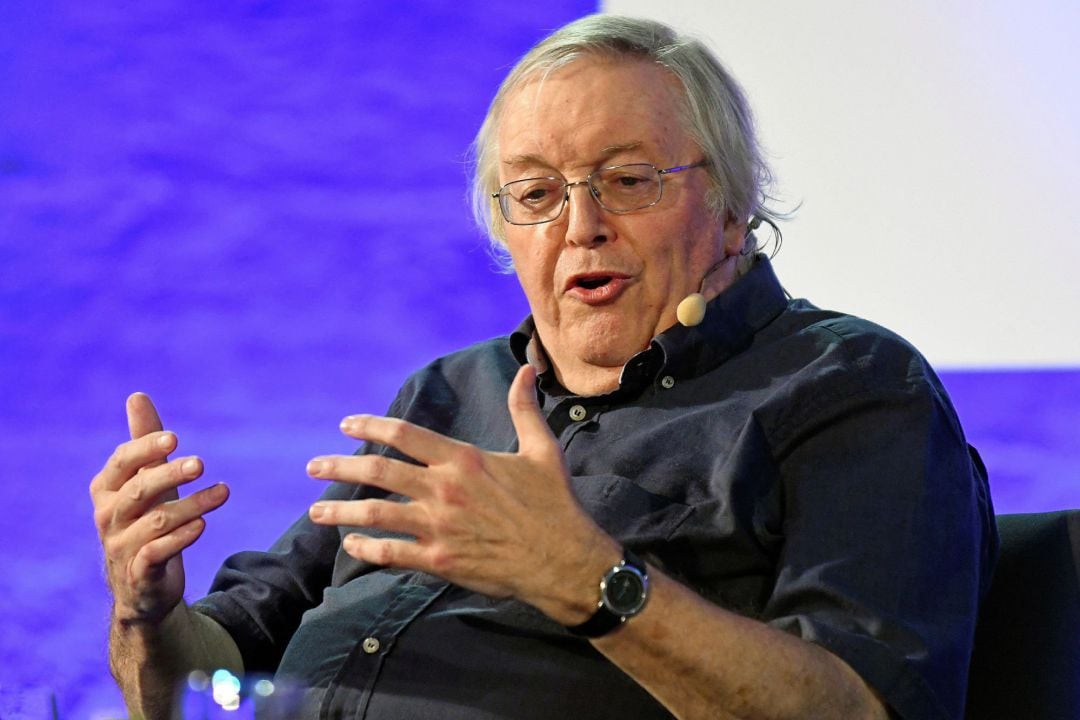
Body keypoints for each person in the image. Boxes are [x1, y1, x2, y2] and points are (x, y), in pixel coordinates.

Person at [90, 14, 997, 720]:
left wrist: (584, 579)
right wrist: (150, 612)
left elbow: (860, 707)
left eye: (629, 179)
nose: (580, 224)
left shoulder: (851, 386)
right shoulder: (447, 396)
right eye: (534, 195)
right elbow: (205, 684)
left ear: (729, 204)